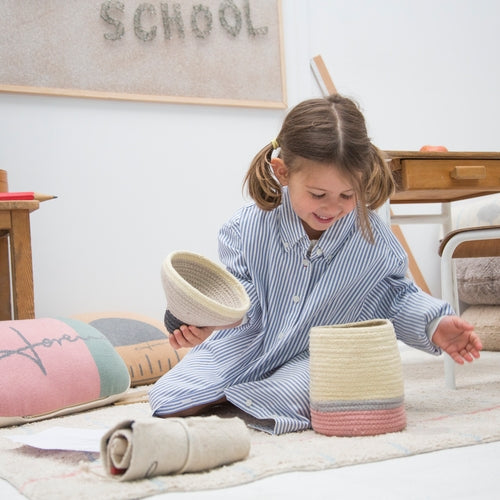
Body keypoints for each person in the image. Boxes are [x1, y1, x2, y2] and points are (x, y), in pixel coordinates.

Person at [149, 94, 482, 435]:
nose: (332, 208)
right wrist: (211, 322)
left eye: (347, 195)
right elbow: (241, 298)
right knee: (169, 397)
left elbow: (396, 297)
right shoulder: (243, 228)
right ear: (282, 172)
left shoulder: (372, 237)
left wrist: (434, 323)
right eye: (318, 195)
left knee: (292, 392)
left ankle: (250, 395)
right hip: (250, 343)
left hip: (318, 356)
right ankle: (234, 392)